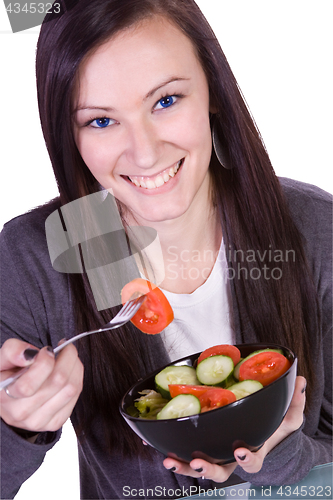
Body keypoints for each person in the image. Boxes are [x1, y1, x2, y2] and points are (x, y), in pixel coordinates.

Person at [0, 0, 331, 498]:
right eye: (101, 121)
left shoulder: (314, 228)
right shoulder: (37, 258)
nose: (146, 152)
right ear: (68, 134)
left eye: (166, 101)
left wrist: (282, 455)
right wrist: (16, 426)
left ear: (213, 91)